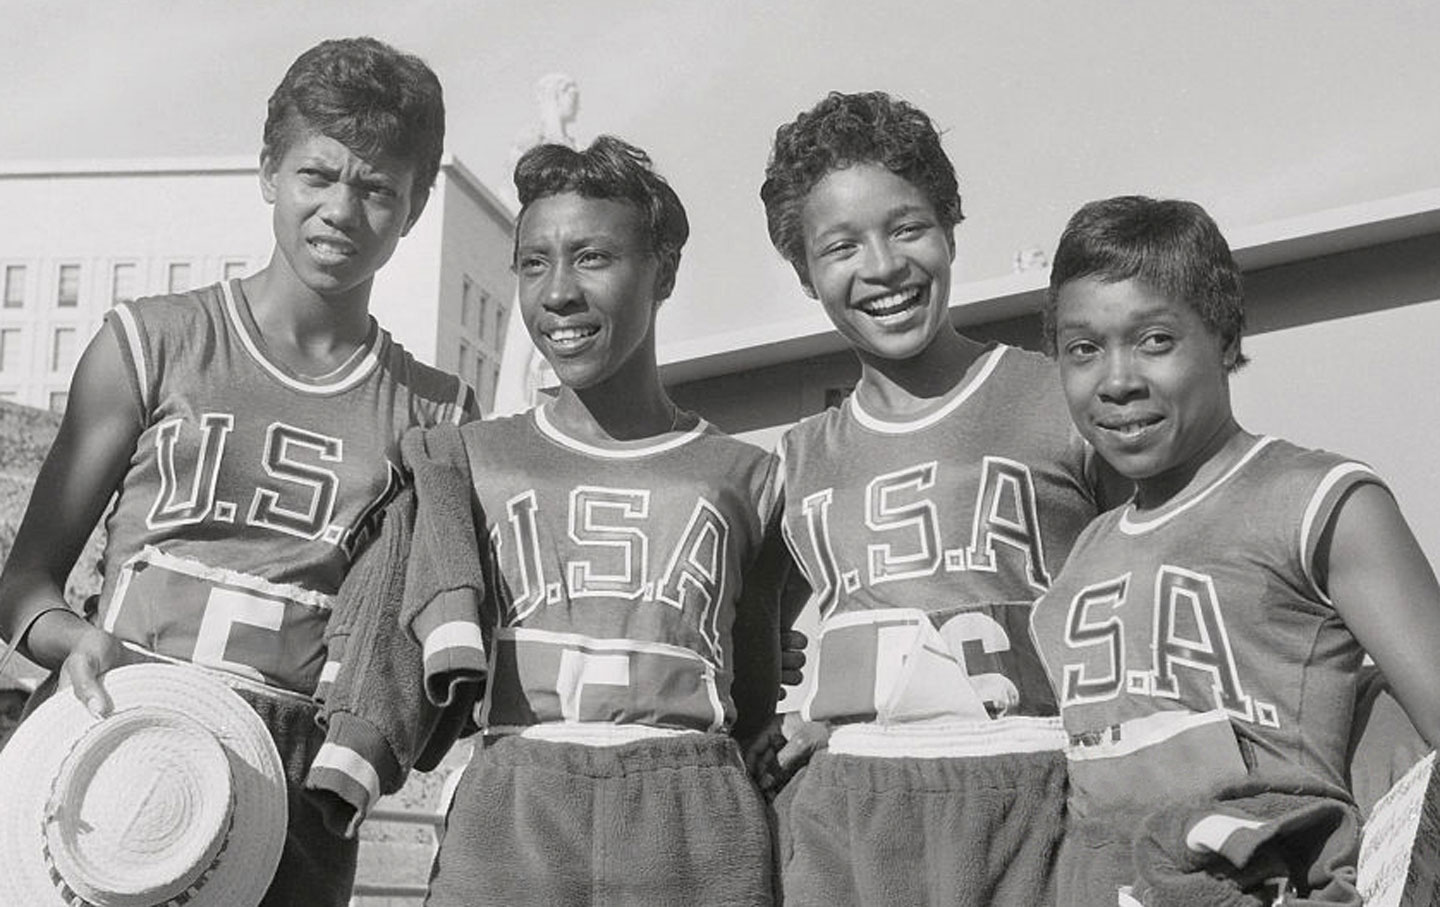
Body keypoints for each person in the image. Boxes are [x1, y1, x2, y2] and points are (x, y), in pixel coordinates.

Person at [0, 36, 475, 906]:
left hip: (292, 781)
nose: (341, 208)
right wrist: (72, 637)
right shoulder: (149, 343)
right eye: (317, 174)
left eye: (376, 188)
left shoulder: (437, 416)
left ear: (414, 207)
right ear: (267, 170)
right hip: (120, 737)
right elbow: (22, 585)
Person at [756, 90, 1123, 906]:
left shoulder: (1064, 399)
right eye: (841, 245)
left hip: (1043, 823)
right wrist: (804, 718)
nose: (883, 266)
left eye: (907, 227)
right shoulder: (799, 462)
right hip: (862, 840)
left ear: (950, 227)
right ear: (804, 272)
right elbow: (774, 656)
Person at [402, 135, 785, 905]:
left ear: (663, 271)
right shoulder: (467, 460)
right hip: (511, 823)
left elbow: (757, 699)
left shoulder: (749, 478)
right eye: (534, 262)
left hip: (695, 835)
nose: (558, 292)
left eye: (592, 257)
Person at [1030, 195, 1440, 903]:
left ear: (1223, 338)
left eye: (1155, 339)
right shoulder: (1081, 555)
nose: (1118, 379)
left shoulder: (1319, 501)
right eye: (1083, 349)